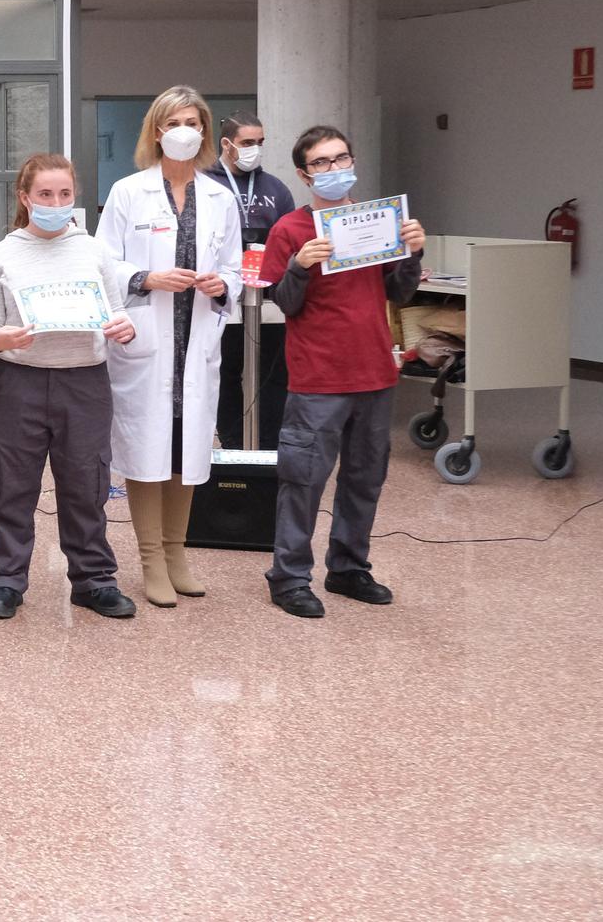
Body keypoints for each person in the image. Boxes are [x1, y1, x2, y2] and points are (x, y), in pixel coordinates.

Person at [260, 125, 425, 618]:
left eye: (340, 159)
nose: (333, 170)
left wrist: (413, 252)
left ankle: (350, 567)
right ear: (303, 174)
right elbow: (284, 304)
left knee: (365, 477)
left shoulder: (376, 220)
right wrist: (299, 266)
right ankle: (289, 577)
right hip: (318, 378)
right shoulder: (289, 229)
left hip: (375, 371)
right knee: (303, 478)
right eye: (321, 163)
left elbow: (400, 293)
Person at [0, 153, 141, 621]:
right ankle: (5, 581)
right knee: (11, 485)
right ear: (25, 198)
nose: (55, 202)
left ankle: (93, 581)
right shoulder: (3, 254)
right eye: (45, 194)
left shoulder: (93, 250)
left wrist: (124, 327)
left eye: (64, 194)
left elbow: (115, 310)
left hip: (84, 381)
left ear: (74, 196)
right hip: (19, 381)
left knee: (87, 484)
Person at [97, 86, 242, 609]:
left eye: (194, 121)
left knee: (185, 447)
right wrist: (147, 277)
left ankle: (178, 552)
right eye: (174, 121)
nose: (185, 130)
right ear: (157, 130)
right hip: (148, 339)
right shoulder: (128, 192)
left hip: (196, 340)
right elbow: (104, 262)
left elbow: (232, 267)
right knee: (147, 450)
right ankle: (150, 559)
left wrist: (222, 287)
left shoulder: (221, 197)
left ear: (205, 131)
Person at [208, 111, 295, 447]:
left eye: (259, 143)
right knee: (225, 373)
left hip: (270, 300)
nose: (254, 149)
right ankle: (232, 444)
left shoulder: (276, 188)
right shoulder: (206, 184)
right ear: (227, 144)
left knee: (272, 376)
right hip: (221, 298)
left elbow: (289, 238)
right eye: (247, 143)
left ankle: (270, 446)